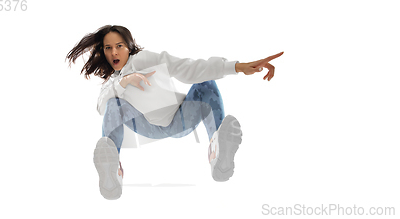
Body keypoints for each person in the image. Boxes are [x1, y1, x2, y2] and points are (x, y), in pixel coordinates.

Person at [66, 25, 283, 200]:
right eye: (108, 48)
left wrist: (237, 66)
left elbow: (189, 68)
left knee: (205, 82)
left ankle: (218, 153)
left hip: (179, 119)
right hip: (145, 125)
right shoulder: (112, 81)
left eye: (119, 46)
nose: (114, 52)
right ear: (103, 52)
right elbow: (101, 108)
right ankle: (112, 173)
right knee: (113, 105)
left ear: (129, 47)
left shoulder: (144, 59)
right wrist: (124, 81)